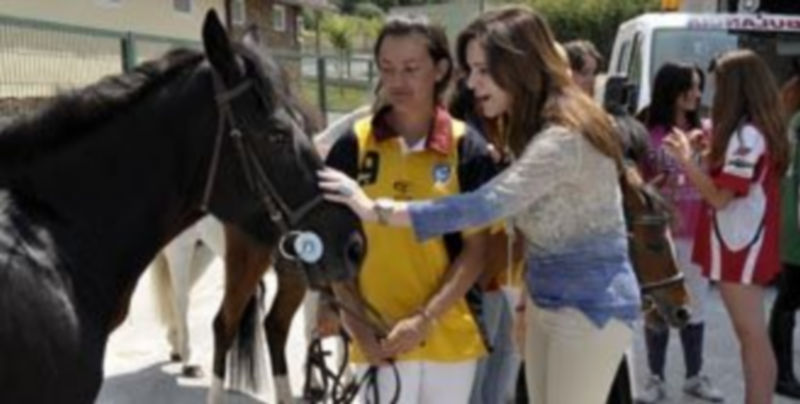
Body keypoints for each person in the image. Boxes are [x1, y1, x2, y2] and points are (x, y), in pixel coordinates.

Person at [320, 6, 641, 403]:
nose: (471, 83)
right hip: (546, 302)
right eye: (470, 70)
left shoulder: (562, 138)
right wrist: (525, 303)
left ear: (518, 65)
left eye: (483, 70)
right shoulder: (530, 127)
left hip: (590, 309)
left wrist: (375, 210)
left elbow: (488, 205)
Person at [323, 16, 497, 404]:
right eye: (387, 68)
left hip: (448, 336)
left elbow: (476, 250)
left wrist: (425, 319)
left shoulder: (467, 148)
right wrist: (356, 326)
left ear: (440, 69)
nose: (397, 81)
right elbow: (335, 245)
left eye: (410, 69)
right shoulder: (353, 144)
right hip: (374, 337)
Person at [662, 49, 787, 404]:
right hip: (739, 238)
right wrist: (702, 156)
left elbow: (720, 198)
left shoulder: (748, 136)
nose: (713, 93)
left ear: (736, 87)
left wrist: (686, 161)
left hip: (741, 242)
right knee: (750, 335)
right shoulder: (749, 132)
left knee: (752, 335)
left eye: (718, 85)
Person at [637, 62, 723, 403]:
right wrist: (659, 184)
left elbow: (719, 179)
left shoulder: (709, 130)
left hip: (697, 232)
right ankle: (655, 378)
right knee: (657, 305)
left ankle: (694, 376)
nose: (697, 94)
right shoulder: (649, 132)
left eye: (699, 86)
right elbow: (636, 183)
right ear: (672, 89)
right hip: (660, 235)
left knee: (696, 305)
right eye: (691, 86)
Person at [768, 61, 800, 400]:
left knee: (788, 300)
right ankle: (782, 373)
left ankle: (782, 371)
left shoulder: (787, 118)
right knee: (789, 300)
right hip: (796, 227)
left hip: (790, 223)